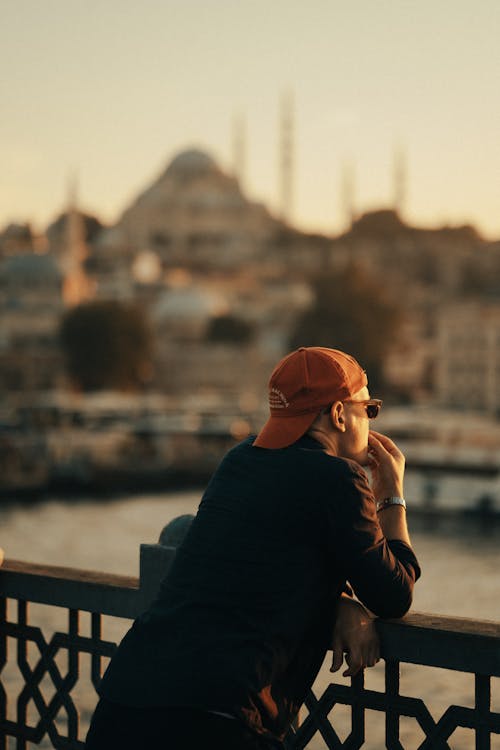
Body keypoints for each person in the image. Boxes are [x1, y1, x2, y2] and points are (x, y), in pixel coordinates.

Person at [86, 346, 420, 750]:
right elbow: (394, 594)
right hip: (216, 718)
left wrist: (339, 598)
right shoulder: (339, 479)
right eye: (369, 409)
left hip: (128, 698)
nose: (370, 422)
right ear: (338, 415)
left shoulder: (239, 462)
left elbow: (261, 557)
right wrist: (392, 495)